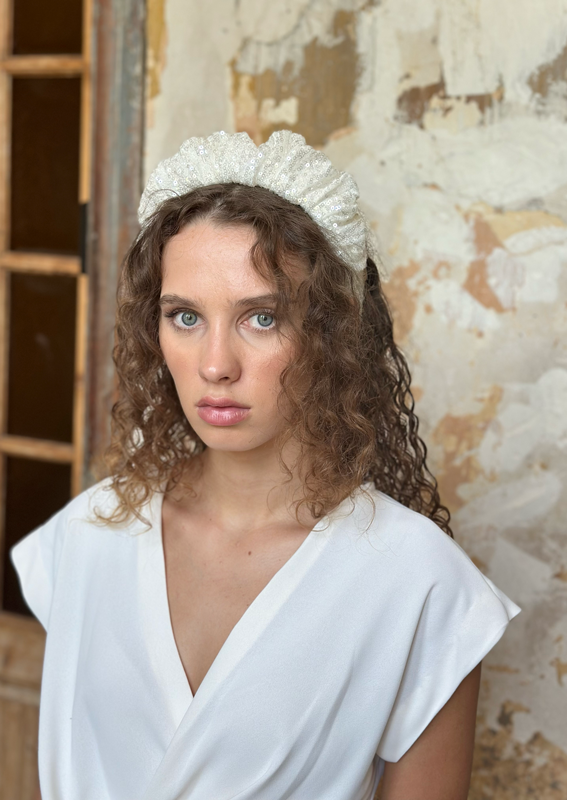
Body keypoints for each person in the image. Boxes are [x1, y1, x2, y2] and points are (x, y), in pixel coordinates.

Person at [12, 130, 520, 800]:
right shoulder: (88, 537)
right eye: (185, 317)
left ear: (329, 331)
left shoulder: (416, 583)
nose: (216, 364)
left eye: (260, 318)